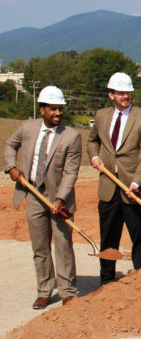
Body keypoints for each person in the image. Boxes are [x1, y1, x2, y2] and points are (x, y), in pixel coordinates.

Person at [4, 86, 81, 309]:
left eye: (61, 109)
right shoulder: (28, 128)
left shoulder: (72, 136)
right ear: (43, 109)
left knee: (63, 245)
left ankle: (67, 291)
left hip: (59, 198)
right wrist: (11, 167)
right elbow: (10, 144)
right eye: (53, 109)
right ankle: (44, 291)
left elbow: (71, 171)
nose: (58, 113)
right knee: (40, 247)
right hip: (33, 194)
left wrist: (60, 198)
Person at [88, 72, 141, 283]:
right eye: (120, 93)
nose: (125, 96)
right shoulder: (101, 116)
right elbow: (92, 141)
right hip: (108, 186)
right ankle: (107, 279)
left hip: (134, 189)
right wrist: (94, 156)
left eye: (127, 92)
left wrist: (136, 182)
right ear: (111, 95)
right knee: (108, 237)